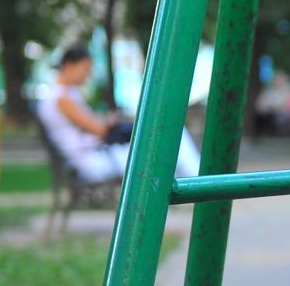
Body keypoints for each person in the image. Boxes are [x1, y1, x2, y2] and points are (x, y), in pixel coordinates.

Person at [36, 41, 200, 183]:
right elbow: (99, 130)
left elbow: (90, 126)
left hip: (96, 155)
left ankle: (196, 180)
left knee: (168, 141)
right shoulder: (62, 98)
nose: (87, 75)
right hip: (93, 161)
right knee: (170, 138)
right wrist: (109, 122)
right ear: (69, 65)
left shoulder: (62, 95)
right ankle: (198, 180)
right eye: (85, 69)